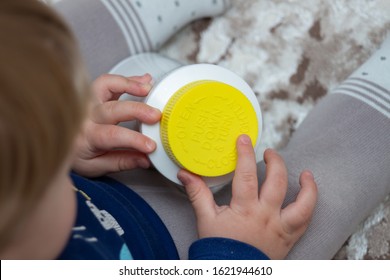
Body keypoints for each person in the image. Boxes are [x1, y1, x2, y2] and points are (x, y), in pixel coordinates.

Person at [54, 0, 390, 260]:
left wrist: (56, 147)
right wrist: (235, 254)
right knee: (307, 202)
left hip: (82, 170)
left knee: (39, 56)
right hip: (178, 246)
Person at [0, 0, 317, 260]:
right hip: (163, 250)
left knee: (27, 49)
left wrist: (66, 148)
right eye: (49, 176)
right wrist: (236, 254)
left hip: (96, 189)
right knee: (299, 204)